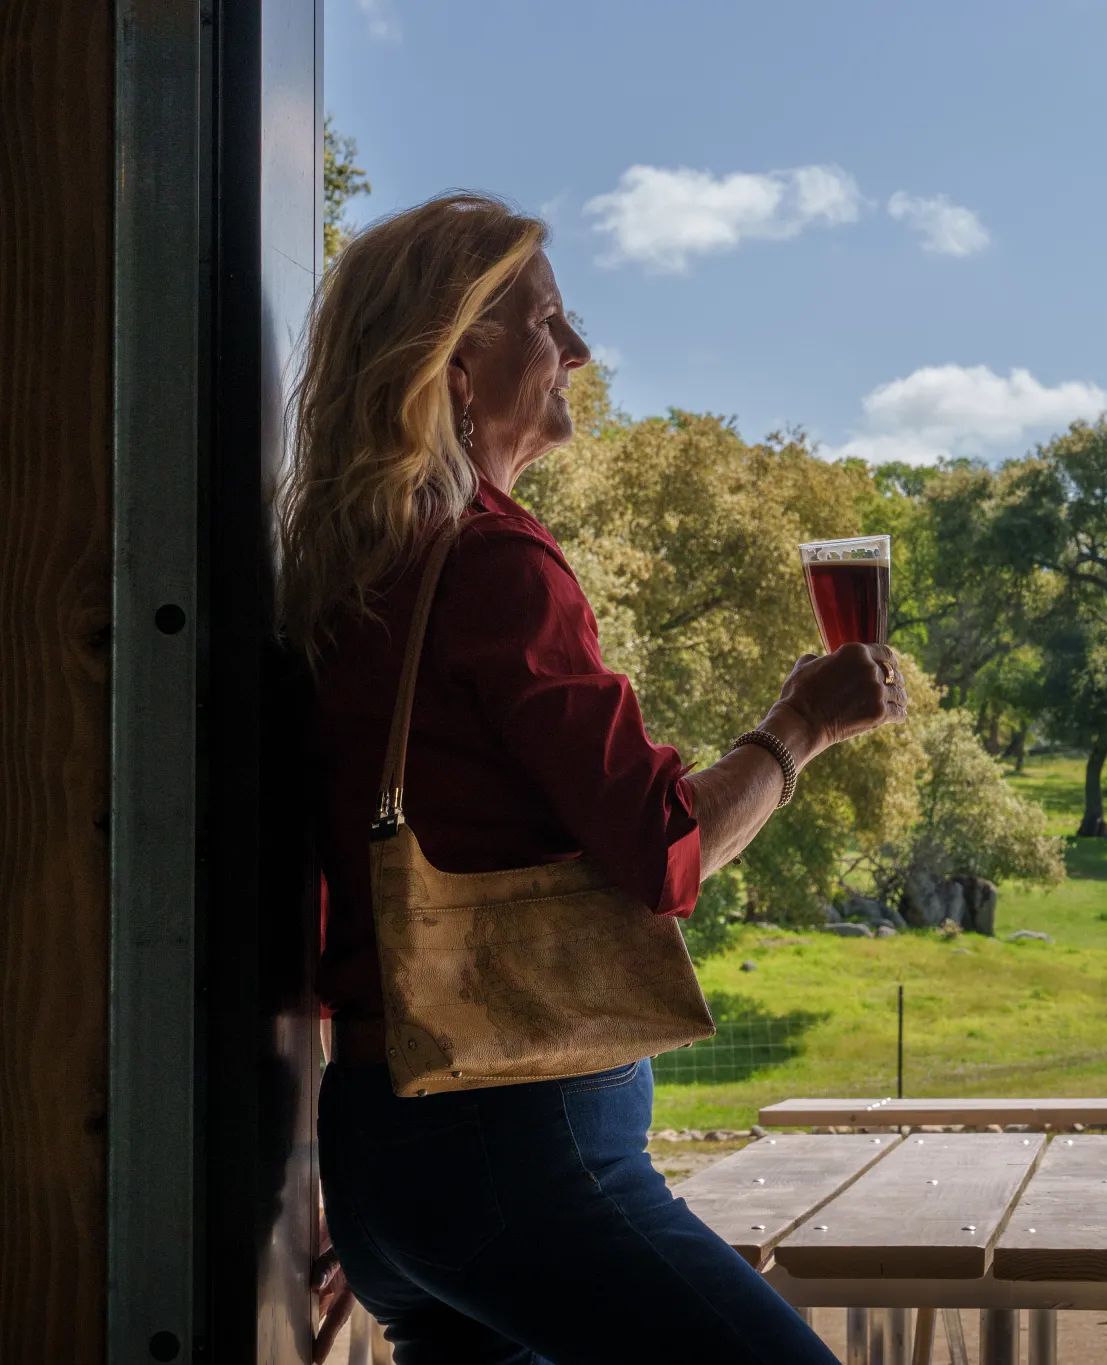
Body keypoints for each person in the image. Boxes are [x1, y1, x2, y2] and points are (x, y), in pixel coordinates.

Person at [278, 191, 899, 1363]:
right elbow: (662, 849)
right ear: (458, 365)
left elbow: (321, 901)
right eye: (547, 322)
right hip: (523, 1156)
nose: (579, 351)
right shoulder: (497, 566)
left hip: (382, 1163)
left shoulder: (351, 582)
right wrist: (799, 726)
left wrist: (339, 1179)